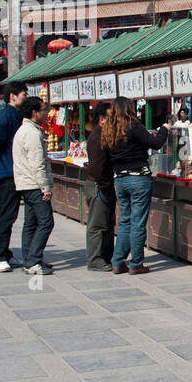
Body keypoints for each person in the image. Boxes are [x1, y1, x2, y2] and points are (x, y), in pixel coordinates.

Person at [103, 96, 170, 274]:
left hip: (120, 179)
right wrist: (164, 129)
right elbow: (156, 143)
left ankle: (117, 262)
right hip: (138, 177)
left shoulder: (109, 128)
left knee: (125, 220)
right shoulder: (133, 125)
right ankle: (136, 263)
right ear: (129, 109)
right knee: (138, 222)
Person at [0, 81, 28, 272]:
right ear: (13, 96)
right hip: (7, 171)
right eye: (23, 95)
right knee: (6, 215)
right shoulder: (4, 116)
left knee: (12, 215)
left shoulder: (19, 115)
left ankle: (6, 253)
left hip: (18, 170)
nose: (25, 98)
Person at [13, 97, 55, 276]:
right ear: (34, 113)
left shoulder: (26, 130)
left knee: (31, 223)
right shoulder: (31, 133)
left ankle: (29, 258)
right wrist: (45, 186)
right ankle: (32, 260)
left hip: (26, 182)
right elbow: (37, 163)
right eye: (43, 110)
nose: (46, 113)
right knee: (46, 221)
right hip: (33, 183)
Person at [84, 102, 116, 271]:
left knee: (107, 224)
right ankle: (95, 259)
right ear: (102, 120)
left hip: (105, 185)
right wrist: (104, 185)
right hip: (99, 186)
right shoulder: (97, 137)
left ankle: (105, 256)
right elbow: (97, 167)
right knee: (97, 225)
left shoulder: (103, 135)